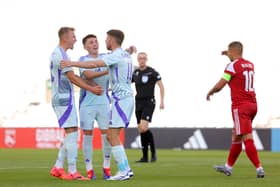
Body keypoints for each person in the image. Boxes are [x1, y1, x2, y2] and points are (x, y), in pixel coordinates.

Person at [60, 29, 135, 181]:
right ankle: (125, 169)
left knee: (111, 135)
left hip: (121, 99)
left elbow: (94, 63)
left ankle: (124, 170)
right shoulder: (122, 54)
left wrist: (71, 63)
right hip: (121, 99)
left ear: (112, 41)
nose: (104, 41)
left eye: (106, 39)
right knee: (110, 134)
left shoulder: (113, 56)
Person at [49, 27, 103, 180]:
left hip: (64, 97)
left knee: (71, 133)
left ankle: (58, 167)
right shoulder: (59, 54)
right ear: (65, 37)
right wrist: (91, 88)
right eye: (73, 36)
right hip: (63, 98)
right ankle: (72, 171)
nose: (75, 39)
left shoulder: (61, 53)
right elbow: (72, 77)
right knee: (73, 132)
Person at [206, 41, 265, 178]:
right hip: (253, 105)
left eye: (229, 51)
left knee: (246, 137)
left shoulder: (231, 67)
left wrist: (211, 92)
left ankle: (259, 168)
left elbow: (221, 84)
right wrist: (228, 54)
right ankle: (228, 167)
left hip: (241, 107)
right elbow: (237, 61)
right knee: (236, 135)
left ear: (232, 51)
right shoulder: (250, 64)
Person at [78, 34, 112, 180]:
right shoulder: (82, 60)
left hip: (104, 102)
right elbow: (88, 75)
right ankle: (89, 169)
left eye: (96, 41)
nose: (94, 43)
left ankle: (106, 166)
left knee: (107, 136)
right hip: (87, 104)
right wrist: (107, 70)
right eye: (91, 42)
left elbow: (120, 56)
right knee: (87, 136)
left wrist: (129, 50)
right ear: (85, 46)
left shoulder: (106, 57)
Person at [132, 52, 165, 163]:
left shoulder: (152, 72)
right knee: (141, 129)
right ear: (137, 59)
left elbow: (161, 85)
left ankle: (153, 152)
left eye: (144, 58)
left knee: (143, 127)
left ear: (146, 59)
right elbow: (126, 83)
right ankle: (145, 156)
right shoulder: (135, 72)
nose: (142, 60)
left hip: (149, 102)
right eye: (140, 58)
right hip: (138, 102)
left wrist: (162, 101)